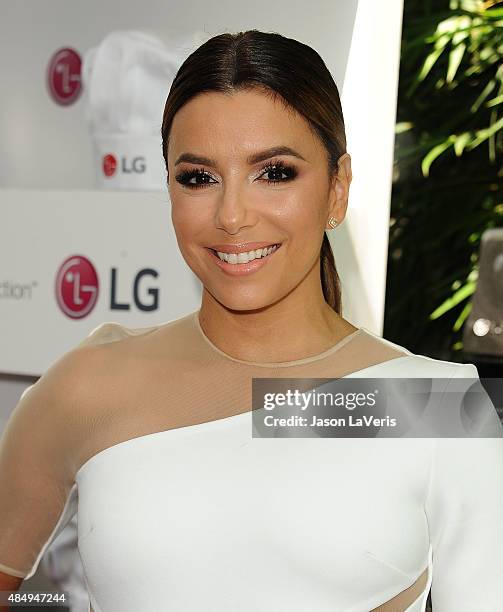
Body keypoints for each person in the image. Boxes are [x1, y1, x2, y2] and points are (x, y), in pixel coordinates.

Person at [1, 29, 502, 612]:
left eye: (275, 172)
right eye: (199, 178)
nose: (232, 215)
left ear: (337, 188)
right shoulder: (89, 386)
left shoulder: (437, 404)